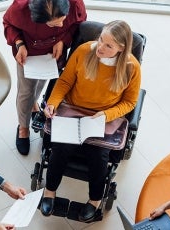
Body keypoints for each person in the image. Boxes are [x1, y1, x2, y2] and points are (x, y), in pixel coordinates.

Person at [39, 20, 141, 222]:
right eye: (101, 39)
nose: (100, 47)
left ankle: (94, 200)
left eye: (108, 45)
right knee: (60, 147)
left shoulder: (132, 68)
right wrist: (52, 102)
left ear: (121, 49)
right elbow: (65, 81)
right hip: (73, 108)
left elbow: (130, 102)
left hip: (102, 116)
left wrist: (107, 115)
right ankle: (49, 191)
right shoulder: (85, 51)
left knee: (99, 156)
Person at [3, 0, 87, 155]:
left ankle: (33, 104)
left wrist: (64, 39)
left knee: (43, 80)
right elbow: (9, 23)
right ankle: (23, 127)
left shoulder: (75, 3)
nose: (61, 25)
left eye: (63, 20)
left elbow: (79, 23)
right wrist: (19, 44)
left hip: (54, 53)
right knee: (26, 91)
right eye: (54, 24)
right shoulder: (21, 8)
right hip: (28, 53)